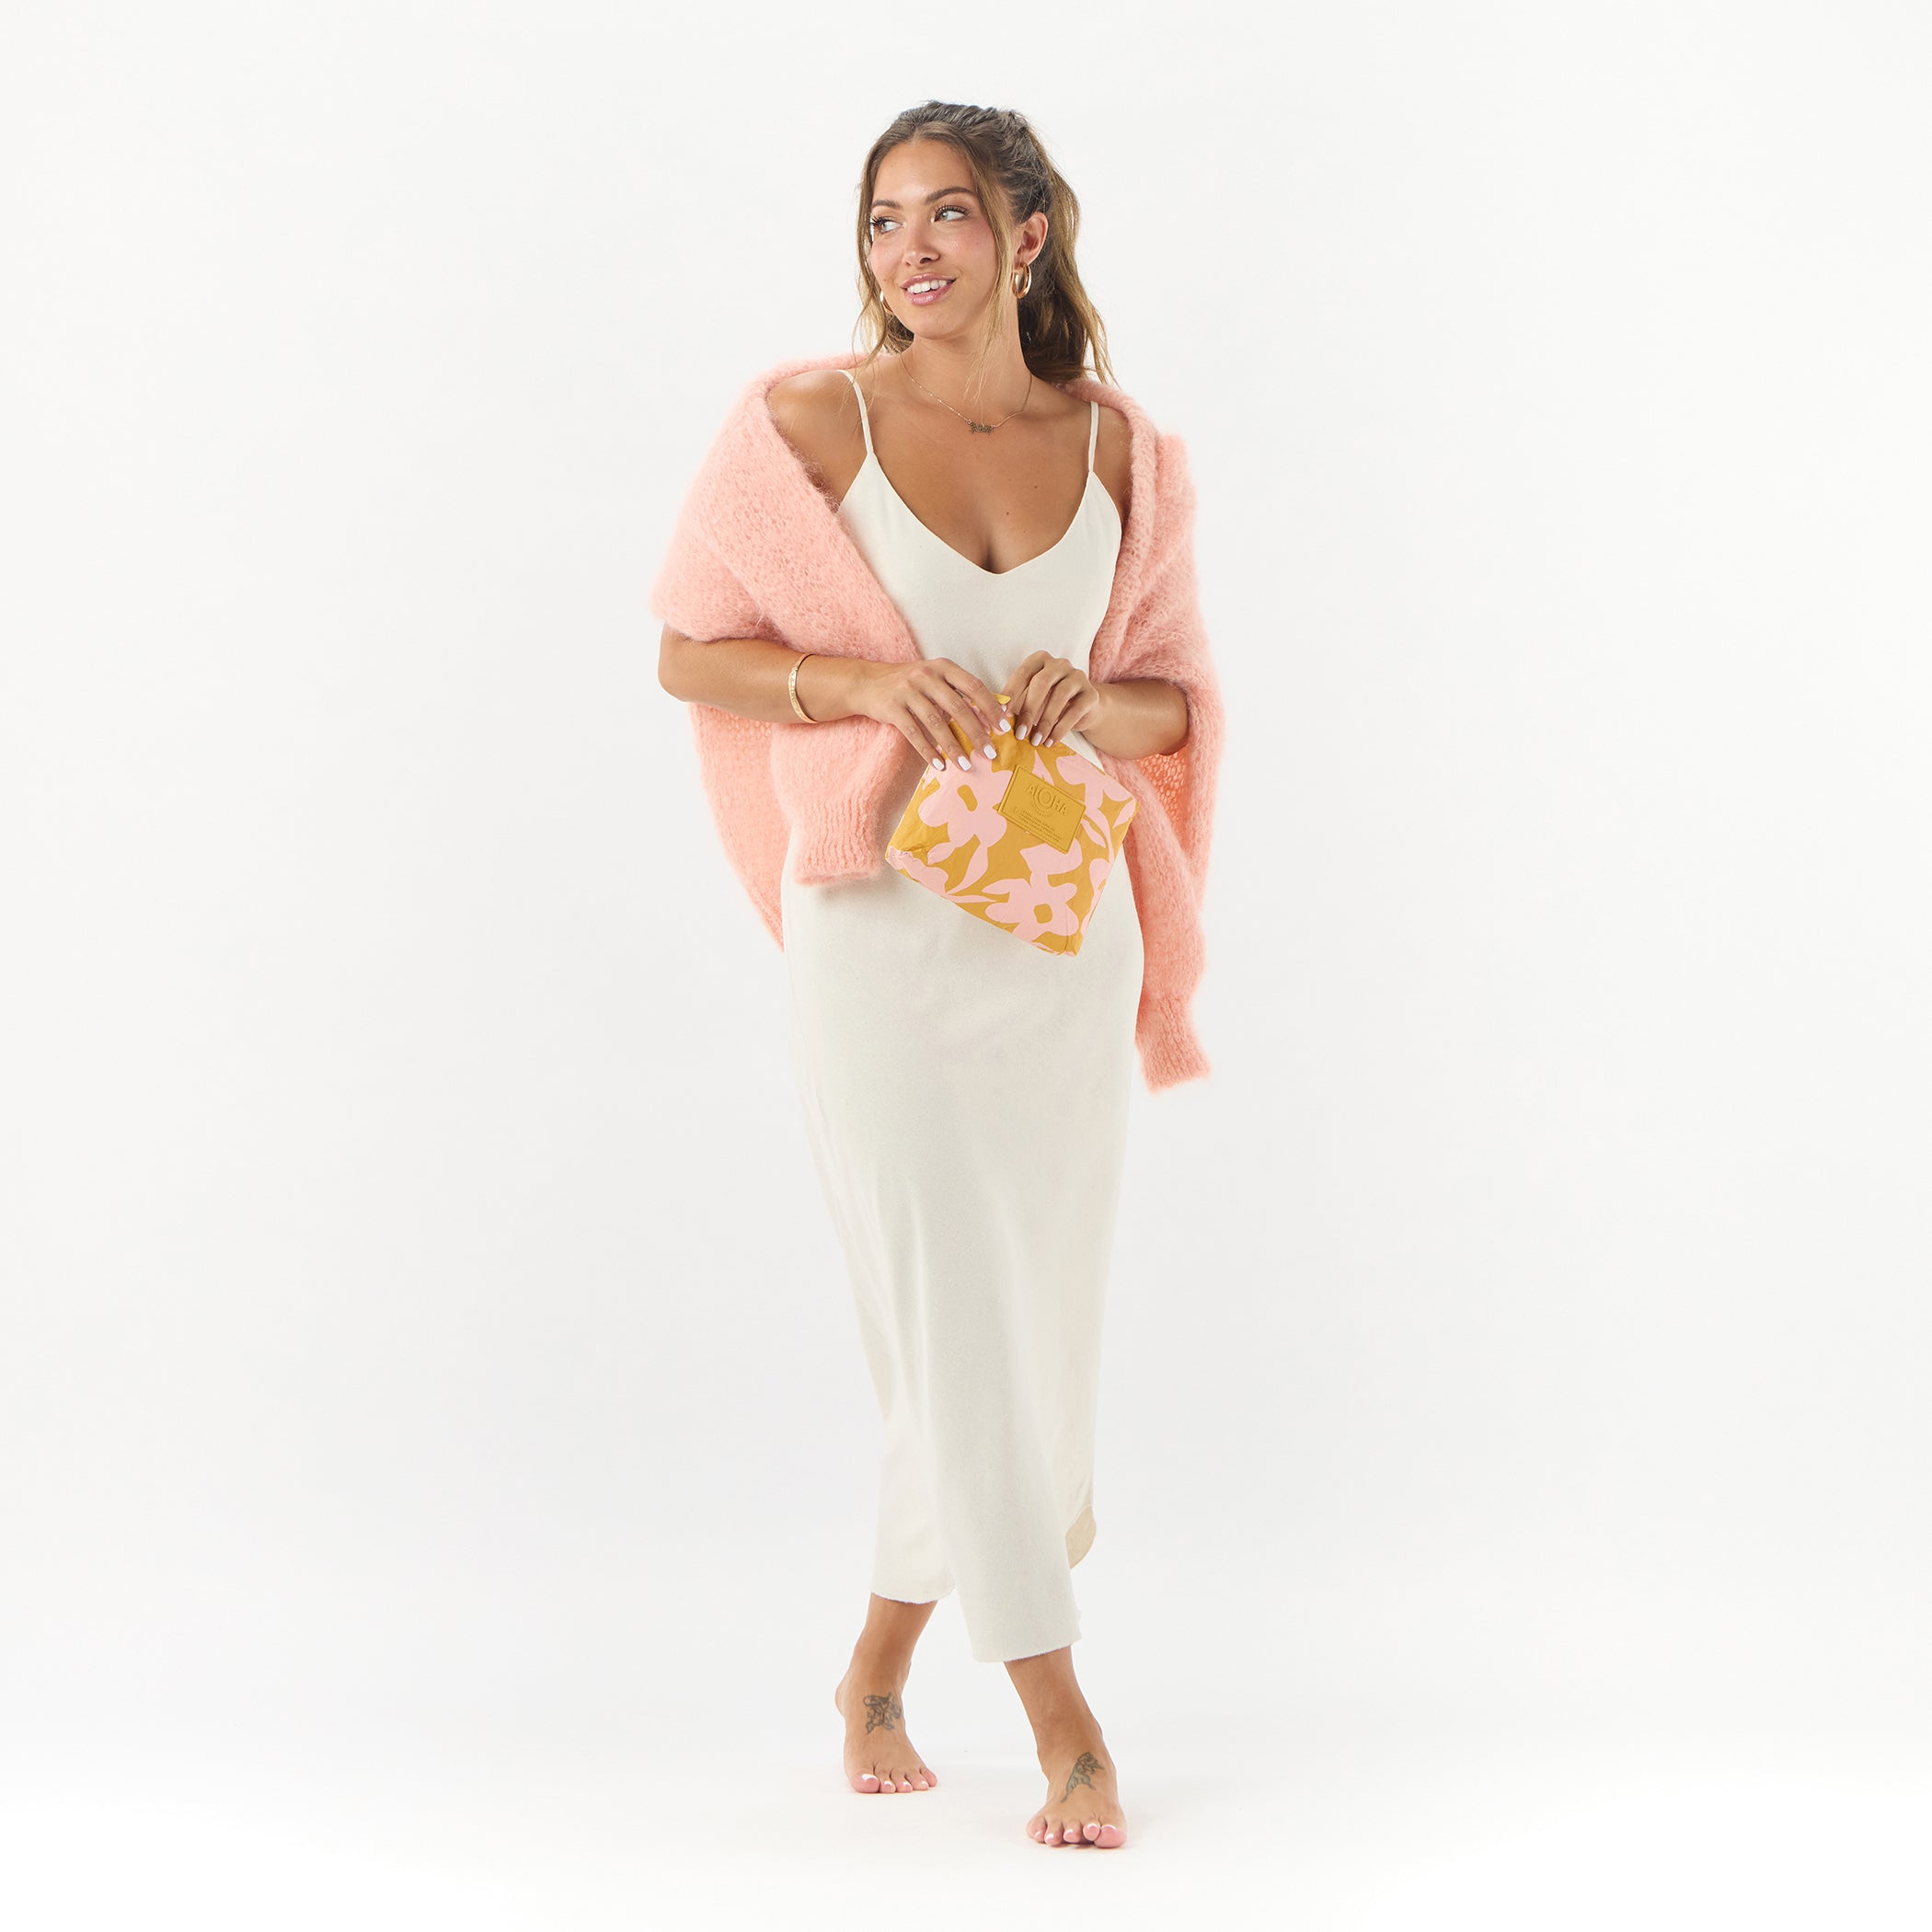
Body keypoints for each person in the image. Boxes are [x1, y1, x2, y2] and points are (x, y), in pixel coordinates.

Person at [653, 100, 1223, 1851]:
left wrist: (1084, 698)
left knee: (1024, 1314)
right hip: (876, 934)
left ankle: (875, 1669)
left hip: (1057, 932)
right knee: (945, 1295)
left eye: (951, 216)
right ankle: (1063, 1713)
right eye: (886, 219)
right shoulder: (804, 424)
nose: (911, 250)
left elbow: (1177, 708)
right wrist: (856, 688)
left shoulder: (1123, 449)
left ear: (1027, 236)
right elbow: (689, 649)